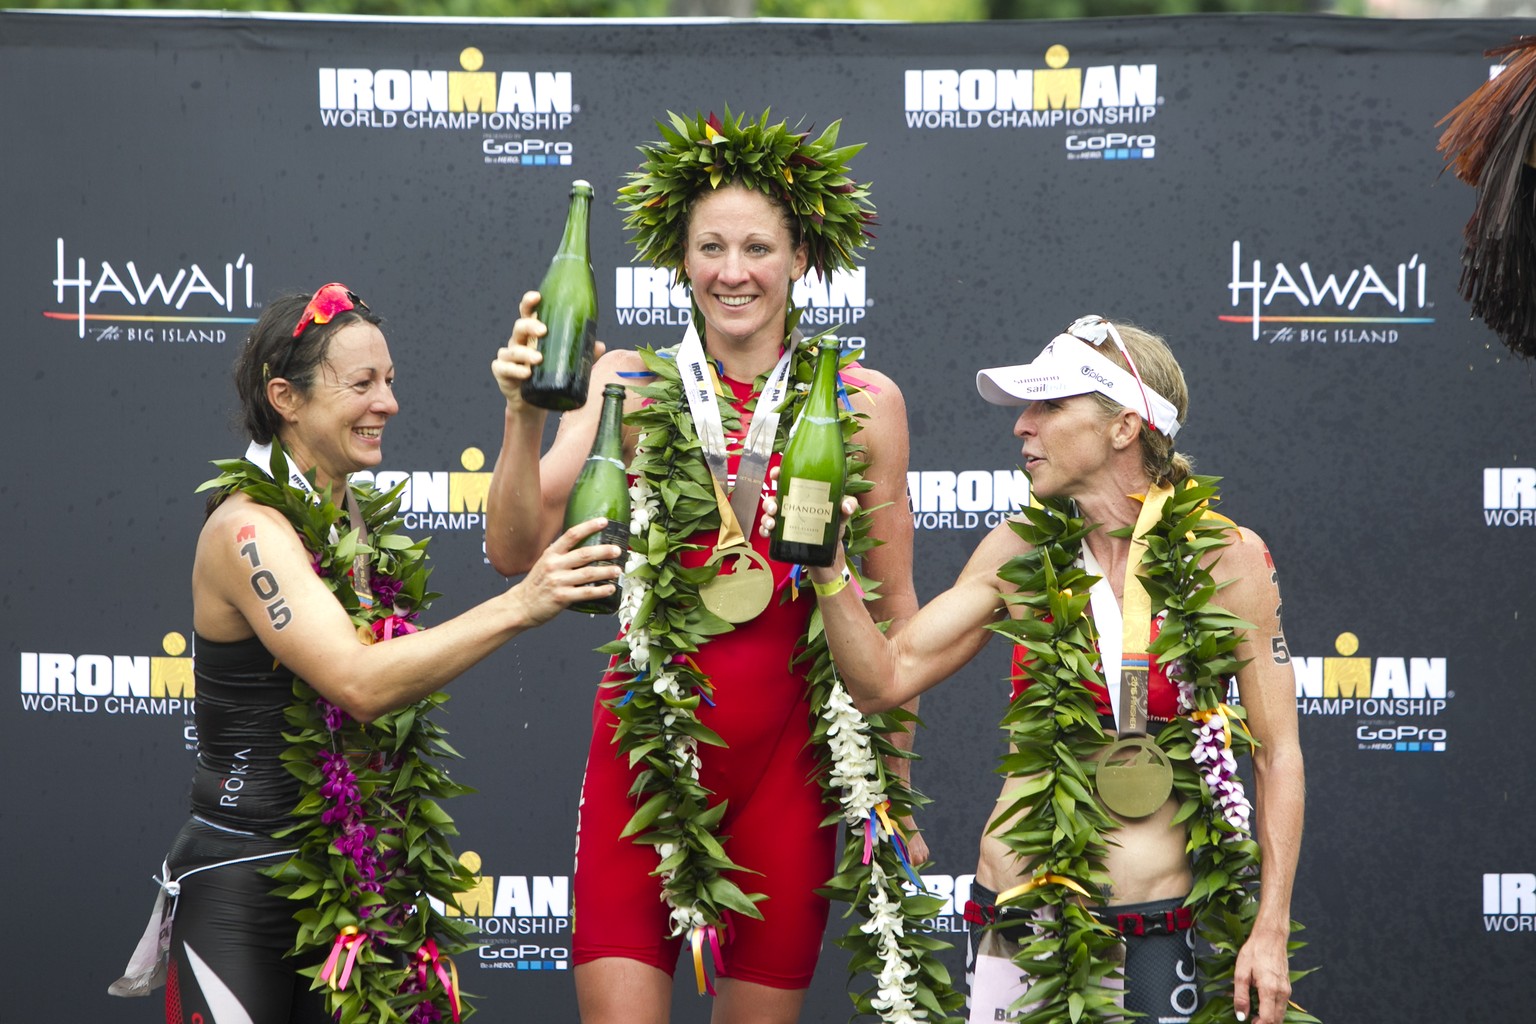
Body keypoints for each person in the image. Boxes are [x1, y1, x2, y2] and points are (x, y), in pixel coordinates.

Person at [486, 111, 922, 1024]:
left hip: (792, 772)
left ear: (801, 257)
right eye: (710, 247)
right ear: (680, 261)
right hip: (643, 761)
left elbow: (896, 615)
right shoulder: (627, 385)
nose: (734, 272)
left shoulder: (864, 403)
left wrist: (895, 793)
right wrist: (523, 415)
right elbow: (514, 552)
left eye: (758, 246)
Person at [767, 315, 1307, 1024]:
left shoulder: (1228, 558)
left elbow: (1278, 752)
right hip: (1014, 918)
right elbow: (884, 679)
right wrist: (832, 572)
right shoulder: (1019, 549)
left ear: (1124, 427)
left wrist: (1269, 929)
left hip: (1147, 928)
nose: (1022, 425)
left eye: (1049, 405)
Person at [110, 283, 621, 1024]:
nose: (389, 403)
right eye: (363, 385)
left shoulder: (345, 513)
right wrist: (522, 603)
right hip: (242, 885)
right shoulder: (247, 530)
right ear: (285, 397)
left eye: (391, 382)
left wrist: (527, 414)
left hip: (351, 878)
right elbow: (359, 681)